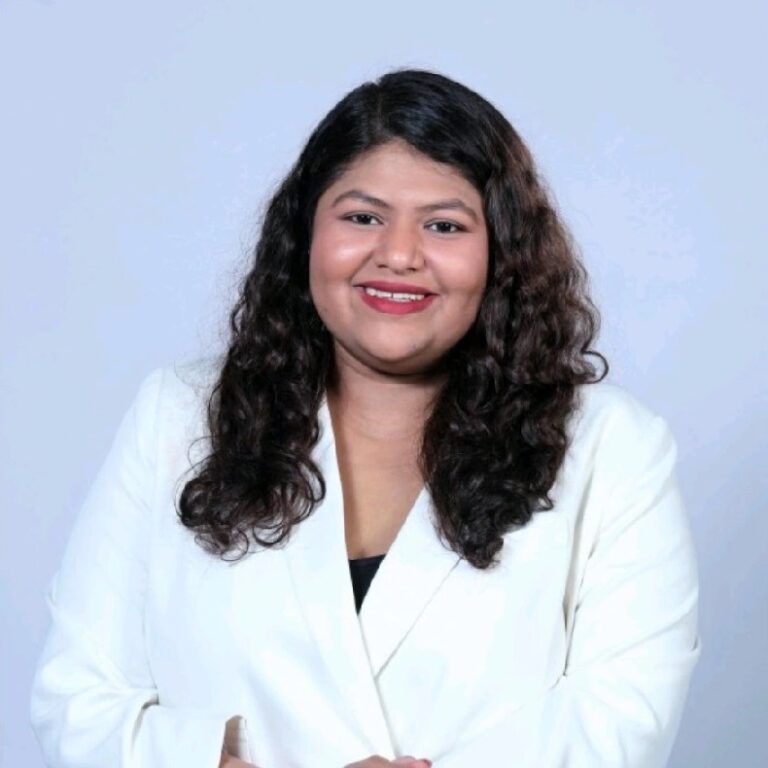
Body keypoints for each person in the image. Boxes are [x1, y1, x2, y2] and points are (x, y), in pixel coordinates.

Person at [29, 68, 701, 768]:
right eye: (362, 217)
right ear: (305, 234)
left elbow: (621, 723)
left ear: (500, 253)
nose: (399, 254)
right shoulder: (176, 418)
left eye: (444, 226)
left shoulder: (613, 448)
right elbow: (78, 699)